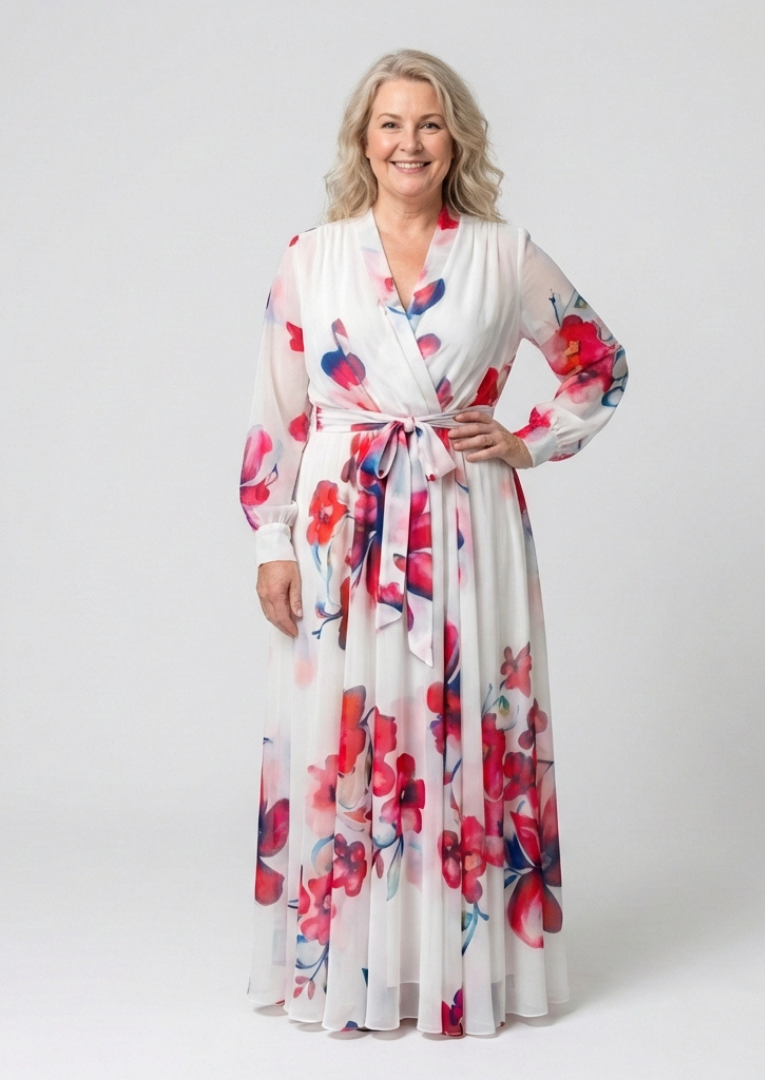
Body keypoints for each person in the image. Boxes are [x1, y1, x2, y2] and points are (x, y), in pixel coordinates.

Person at [240, 48, 627, 1038]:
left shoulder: (503, 252)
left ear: (457, 140)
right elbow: (279, 413)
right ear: (362, 140)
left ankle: (462, 971)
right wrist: (272, 539)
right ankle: (349, 971)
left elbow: (596, 364)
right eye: (390, 124)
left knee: (464, 730)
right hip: (342, 528)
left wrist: (530, 440)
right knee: (349, 736)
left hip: (463, 519)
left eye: (429, 123)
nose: (409, 142)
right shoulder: (312, 256)